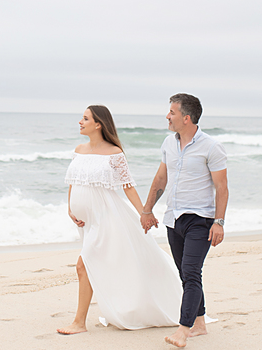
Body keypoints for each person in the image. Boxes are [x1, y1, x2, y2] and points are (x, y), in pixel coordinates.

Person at [56, 105, 182, 335]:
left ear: (98, 124)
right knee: (95, 265)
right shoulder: (79, 149)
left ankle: (79, 323)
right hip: (86, 221)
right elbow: (74, 181)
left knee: (84, 265)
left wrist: (145, 212)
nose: (80, 122)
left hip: (107, 217)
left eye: (85, 118)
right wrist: (70, 208)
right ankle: (115, 308)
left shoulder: (114, 153)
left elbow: (128, 187)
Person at [139, 93, 229, 348]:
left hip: (200, 219)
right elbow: (160, 179)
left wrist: (219, 222)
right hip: (173, 218)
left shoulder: (211, 147)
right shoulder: (169, 143)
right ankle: (199, 323)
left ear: (186, 118)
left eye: (172, 112)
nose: (167, 116)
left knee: (191, 272)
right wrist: (147, 211)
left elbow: (222, 187)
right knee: (185, 273)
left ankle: (183, 329)